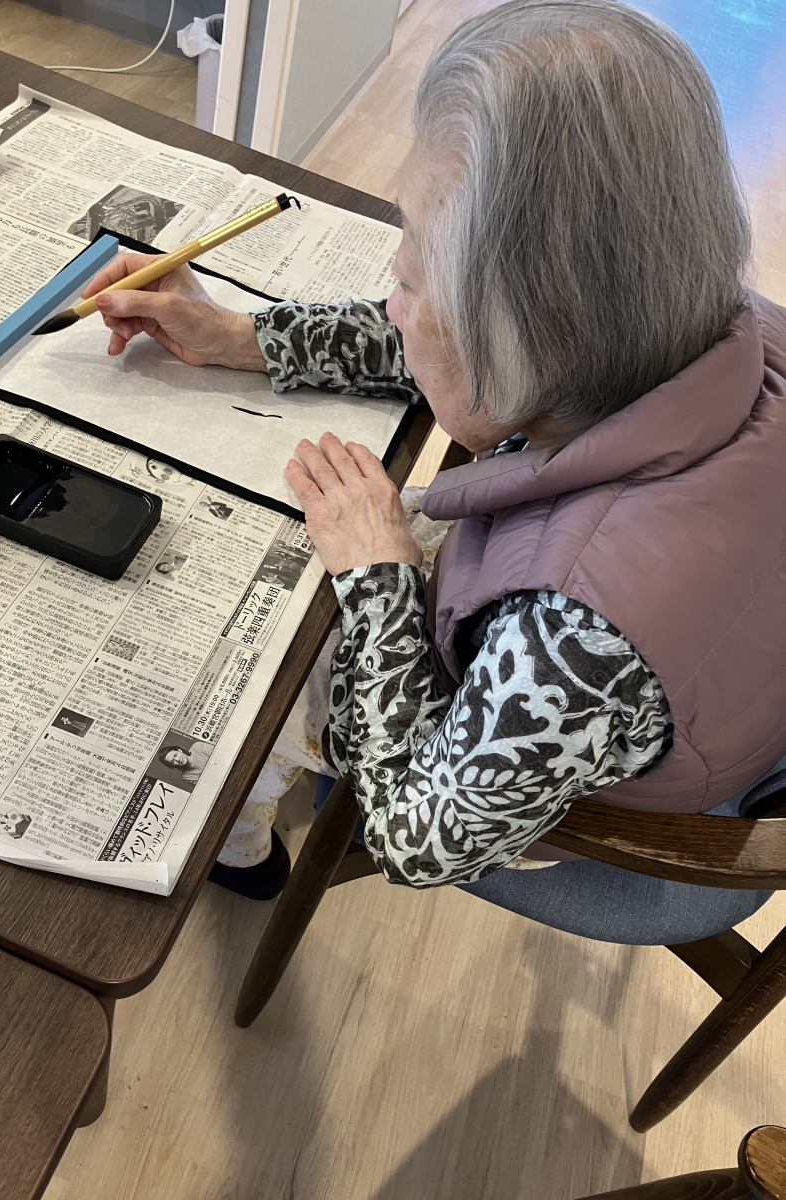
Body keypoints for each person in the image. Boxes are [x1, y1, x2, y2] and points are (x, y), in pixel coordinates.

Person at [81, 0, 786, 938]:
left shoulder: (571, 640)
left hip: (619, 818)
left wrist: (381, 581)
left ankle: (239, 842)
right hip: (715, 682)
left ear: (523, 336)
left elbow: (415, 841)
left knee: (260, 668)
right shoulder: (719, 317)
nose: (393, 292)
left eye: (413, 277)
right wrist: (246, 336)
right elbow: (470, 342)